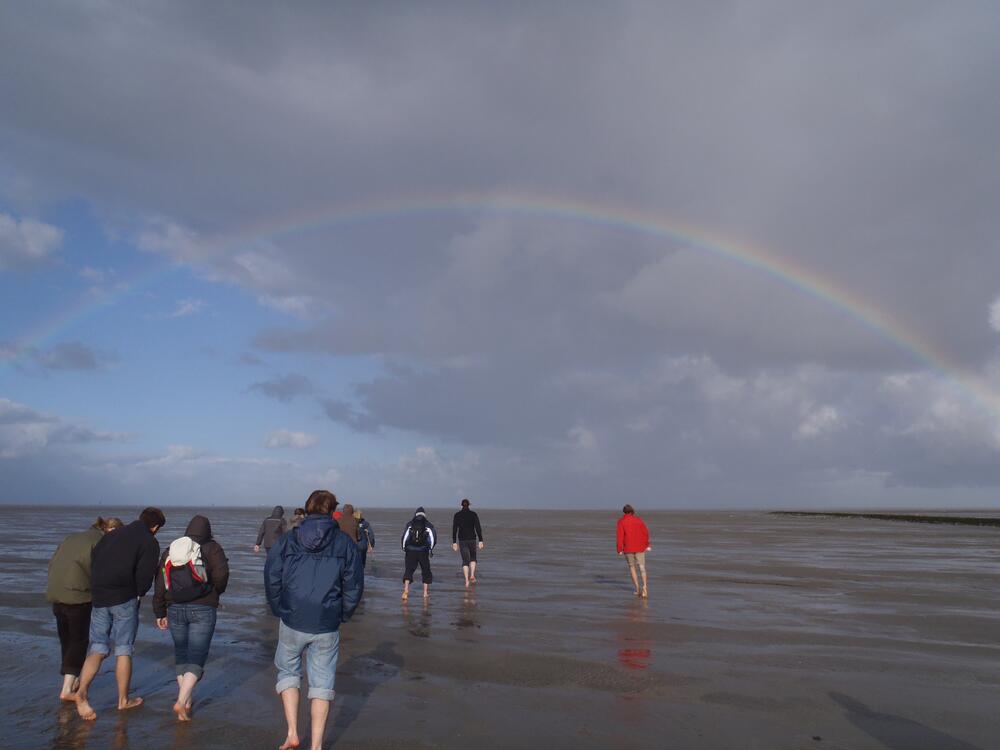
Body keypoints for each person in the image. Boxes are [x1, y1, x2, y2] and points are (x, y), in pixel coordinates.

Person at [265, 490, 363, 750]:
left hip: (294, 618)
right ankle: (316, 745)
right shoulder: (344, 543)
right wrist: (343, 612)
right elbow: (353, 585)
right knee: (322, 683)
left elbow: (271, 576)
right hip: (324, 622)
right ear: (332, 512)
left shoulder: (288, 540)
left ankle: (293, 733)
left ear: (307, 510)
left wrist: (279, 607)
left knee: (288, 673)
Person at [75, 507, 165, 721]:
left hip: (99, 595)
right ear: (155, 527)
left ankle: (81, 691)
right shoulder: (149, 541)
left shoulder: (112, 534)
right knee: (124, 649)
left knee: (97, 646)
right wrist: (139, 593)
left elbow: (95, 558)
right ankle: (123, 701)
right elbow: (145, 575)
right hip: (124, 597)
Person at [153, 515, 229, 721]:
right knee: (197, 656)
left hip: (175, 607)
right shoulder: (213, 548)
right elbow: (222, 575)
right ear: (208, 530)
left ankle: (185, 700)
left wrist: (159, 610)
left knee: (181, 654)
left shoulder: (173, 548)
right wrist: (214, 594)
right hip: (203, 608)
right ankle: (181, 701)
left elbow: (160, 580)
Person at [46, 517, 122, 702]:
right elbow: (104, 573)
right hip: (78, 596)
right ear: (111, 531)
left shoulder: (71, 538)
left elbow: (53, 562)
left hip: (56, 593)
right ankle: (67, 689)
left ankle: (70, 681)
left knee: (67, 640)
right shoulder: (101, 542)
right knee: (79, 641)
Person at [401, 507, 437, 601]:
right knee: (426, 571)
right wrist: (430, 549)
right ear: (424, 514)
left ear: (416, 514)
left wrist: (404, 548)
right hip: (423, 551)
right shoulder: (429, 525)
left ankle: (406, 589)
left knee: (409, 569)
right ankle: (425, 593)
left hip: (410, 551)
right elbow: (433, 539)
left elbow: (405, 537)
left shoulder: (410, 524)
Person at [616, 504, 651, 598]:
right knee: (642, 567)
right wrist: (647, 544)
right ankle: (645, 586)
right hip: (640, 547)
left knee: (632, 567)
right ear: (632, 511)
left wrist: (619, 549)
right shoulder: (638, 520)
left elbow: (620, 536)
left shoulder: (621, 521)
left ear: (624, 512)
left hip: (628, 548)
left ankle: (637, 589)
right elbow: (645, 532)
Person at [451, 498, 485, 587]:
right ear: (469, 505)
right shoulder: (473, 514)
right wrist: (481, 540)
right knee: (473, 558)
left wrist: (454, 542)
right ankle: (472, 575)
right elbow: (478, 528)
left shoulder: (457, 515)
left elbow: (454, 529)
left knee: (465, 561)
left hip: (462, 540)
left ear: (461, 506)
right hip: (472, 539)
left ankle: (466, 581)